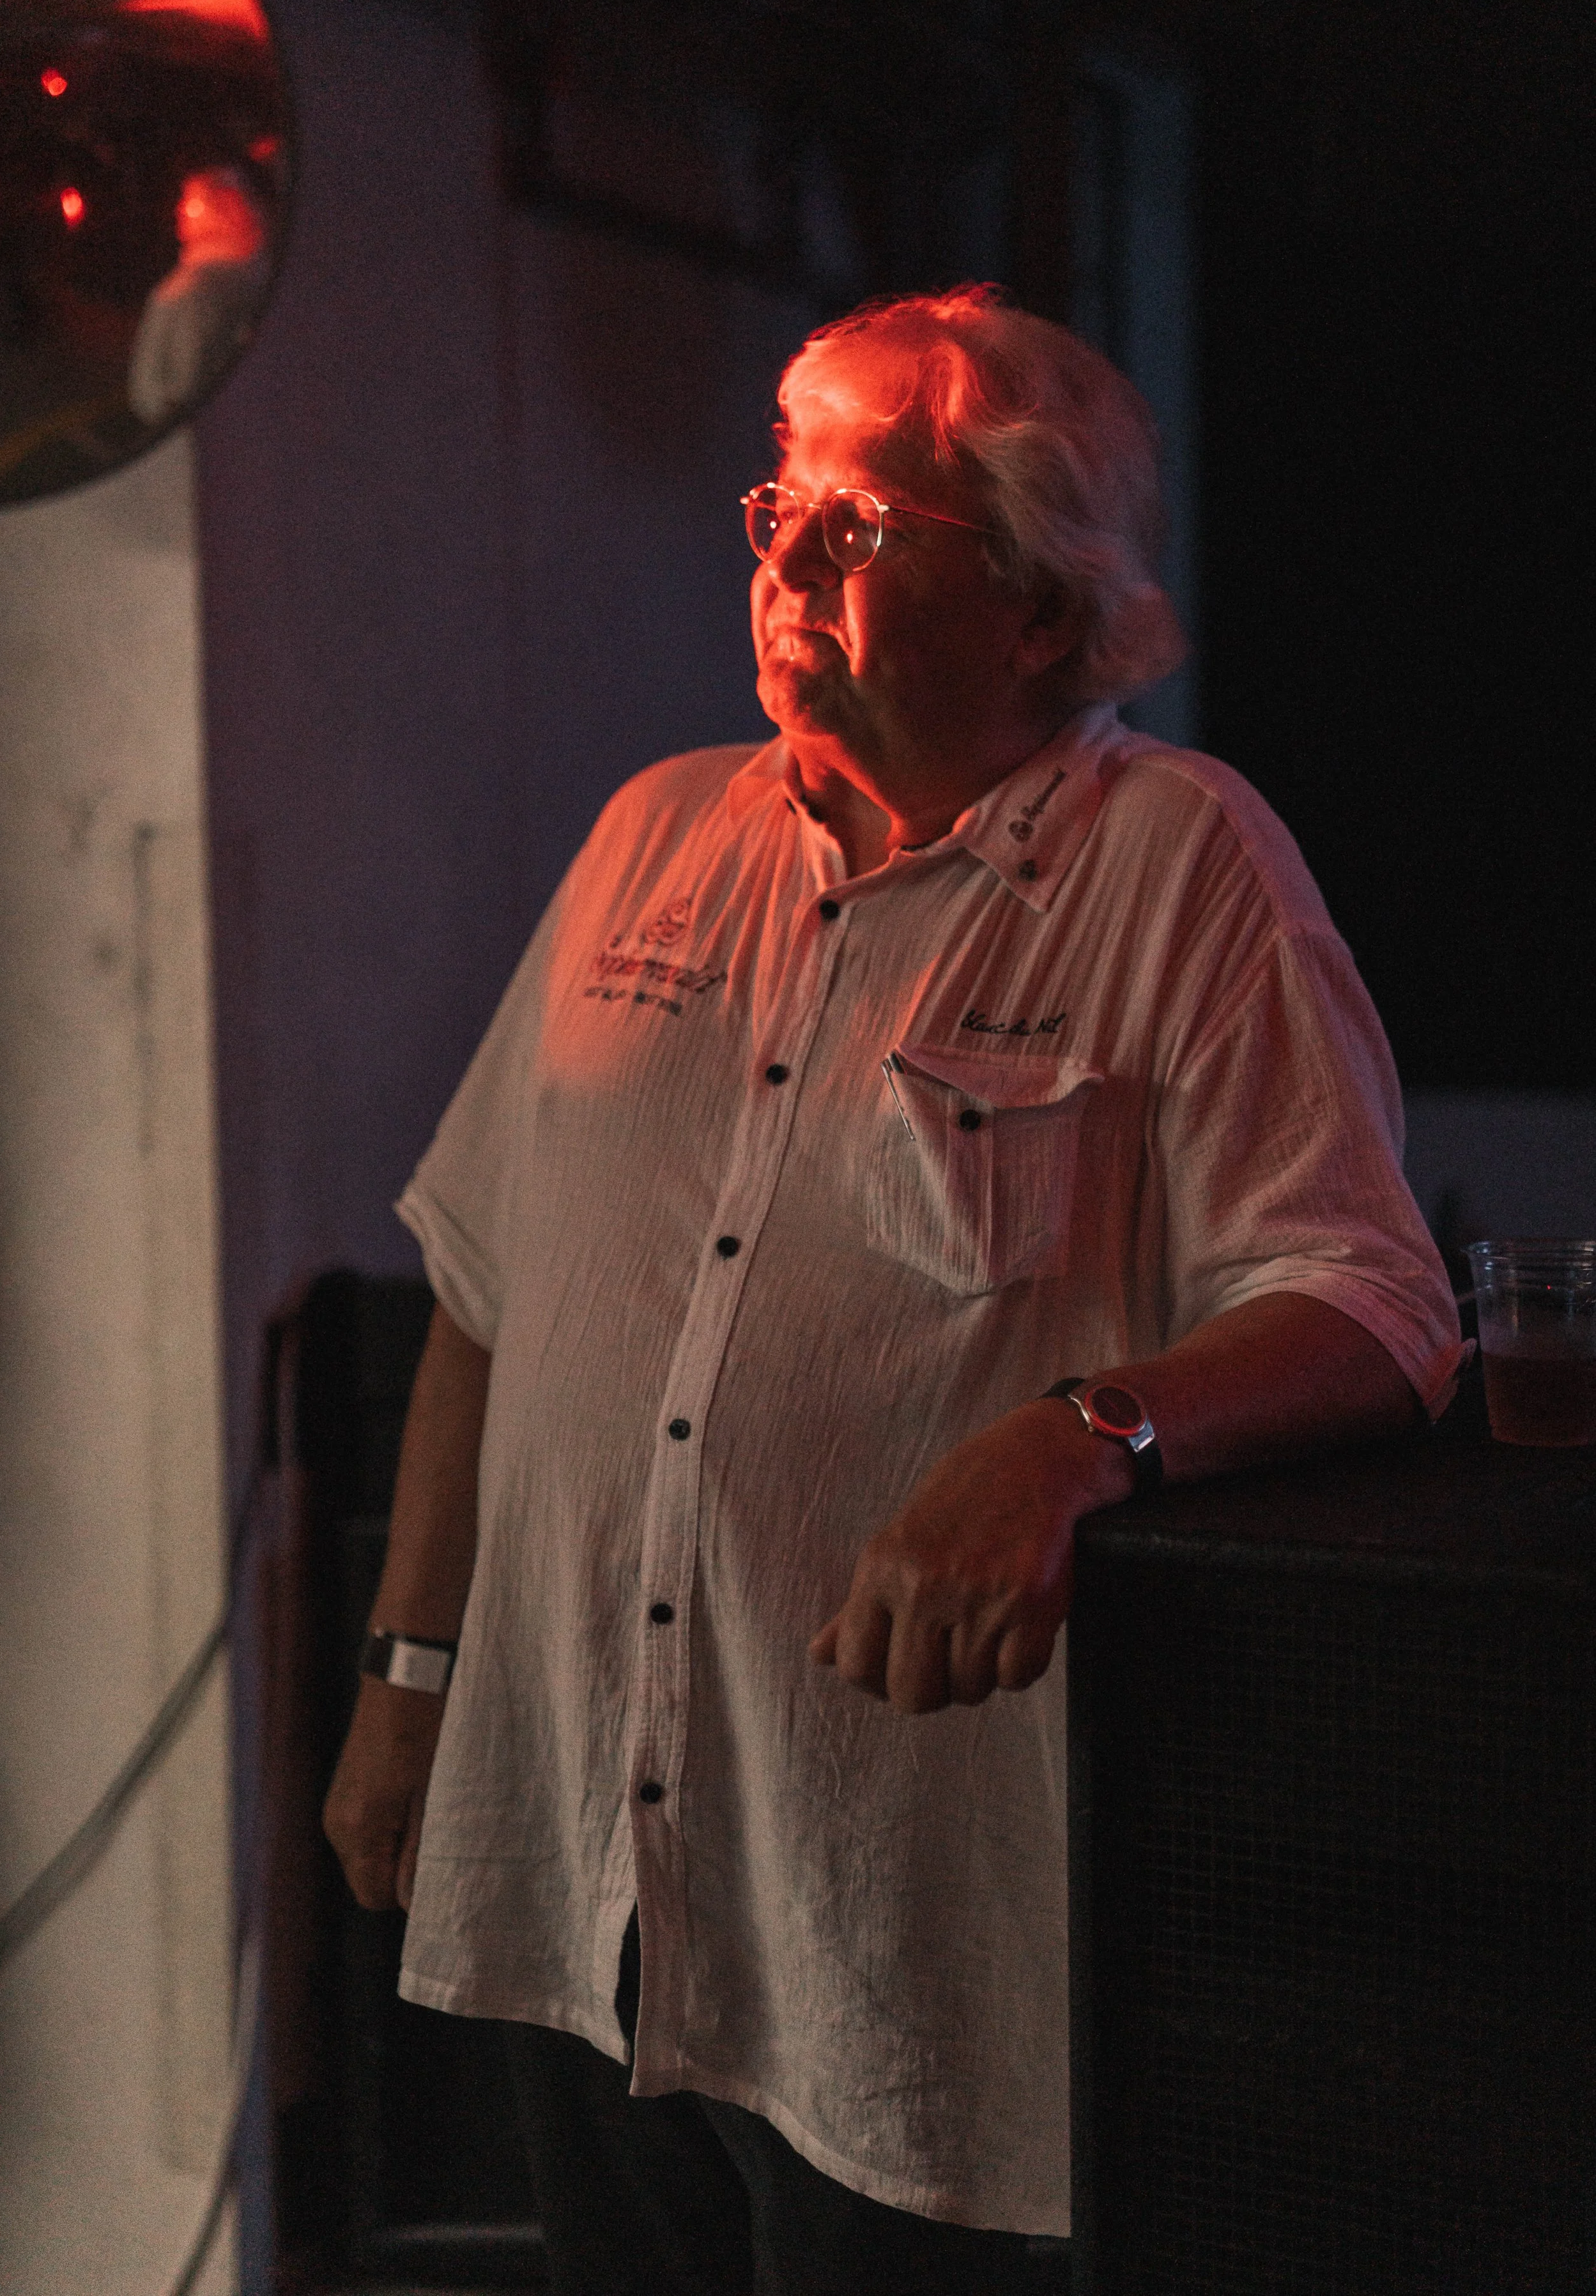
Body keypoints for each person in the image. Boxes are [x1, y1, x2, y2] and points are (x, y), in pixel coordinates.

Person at [324, 285, 1461, 2295]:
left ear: (1037, 606)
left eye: (862, 528)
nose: (786, 563)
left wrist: (1075, 1439)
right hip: (575, 1859)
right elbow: (484, 1291)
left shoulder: (1178, 864)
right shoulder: (648, 835)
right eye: (777, 512)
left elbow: (1369, 1301)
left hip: (899, 1930)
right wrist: (412, 1680)